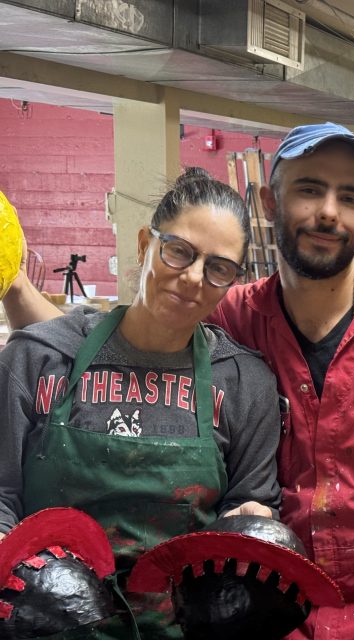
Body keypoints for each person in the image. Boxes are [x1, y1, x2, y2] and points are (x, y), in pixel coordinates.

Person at [4, 123, 354, 639]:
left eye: (350, 198)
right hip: (286, 615)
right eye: (309, 190)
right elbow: (100, 343)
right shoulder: (230, 314)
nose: (329, 212)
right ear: (269, 202)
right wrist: (12, 282)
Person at [0, 168, 283, 638]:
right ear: (143, 245)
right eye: (178, 251)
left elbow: (247, 504)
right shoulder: (38, 358)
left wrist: (252, 518)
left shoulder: (243, 382)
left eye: (218, 267)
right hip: (47, 627)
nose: (193, 278)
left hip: (180, 627)